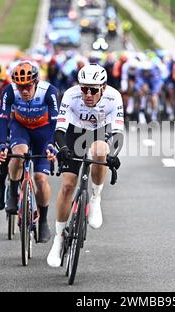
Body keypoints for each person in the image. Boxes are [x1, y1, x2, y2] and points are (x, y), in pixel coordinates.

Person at [46, 63, 124, 267]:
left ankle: (96, 198)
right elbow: (59, 130)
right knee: (67, 185)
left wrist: (112, 155)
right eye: (84, 88)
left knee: (100, 151)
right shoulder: (71, 96)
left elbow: (118, 133)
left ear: (103, 88)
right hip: (74, 133)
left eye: (93, 90)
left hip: (100, 131)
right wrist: (62, 150)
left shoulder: (113, 97)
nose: (87, 94)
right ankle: (59, 238)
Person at [0, 60, 59, 243]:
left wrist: (51, 144)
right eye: (20, 86)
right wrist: (1, 144)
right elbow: (3, 118)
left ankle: (44, 220)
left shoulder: (49, 91)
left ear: (36, 82)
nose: (24, 91)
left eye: (28, 86)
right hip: (21, 128)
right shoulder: (9, 91)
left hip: (43, 132)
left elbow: (55, 122)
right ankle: (14, 193)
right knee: (18, 155)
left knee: (40, 178)